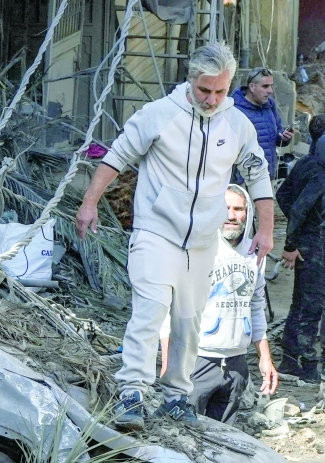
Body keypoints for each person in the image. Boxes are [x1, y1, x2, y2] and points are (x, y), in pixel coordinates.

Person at [76, 42, 275, 432]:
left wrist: (265, 229)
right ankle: (131, 389)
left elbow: (258, 175)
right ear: (190, 80)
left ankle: (176, 396)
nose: (212, 99)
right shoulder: (159, 115)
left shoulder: (237, 124)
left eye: (220, 91)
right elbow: (116, 156)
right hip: (156, 230)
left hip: (203, 240)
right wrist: (89, 203)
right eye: (205, 90)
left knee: (189, 320)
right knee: (150, 310)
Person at [158, 185, 278, 424]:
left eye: (238, 209)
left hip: (236, 365)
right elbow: (169, 308)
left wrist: (265, 357)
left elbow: (256, 305)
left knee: (224, 438)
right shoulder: (196, 250)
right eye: (225, 209)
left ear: (248, 213)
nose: (231, 216)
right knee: (184, 437)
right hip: (196, 361)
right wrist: (168, 361)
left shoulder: (256, 254)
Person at [276, 130, 325, 382]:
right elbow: (298, 207)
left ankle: (289, 358)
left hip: (309, 240)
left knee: (300, 301)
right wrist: (291, 243)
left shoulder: (307, 163)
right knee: (312, 306)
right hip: (314, 244)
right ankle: (308, 364)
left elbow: (283, 195)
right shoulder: (320, 176)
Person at [231, 68, 294, 178]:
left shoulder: (270, 105)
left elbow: (277, 136)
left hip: (268, 175)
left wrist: (284, 138)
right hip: (244, 180)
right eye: (265, 86)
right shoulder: (235, 110)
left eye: (271, 86)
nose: (270, 91)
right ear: (252, 87)